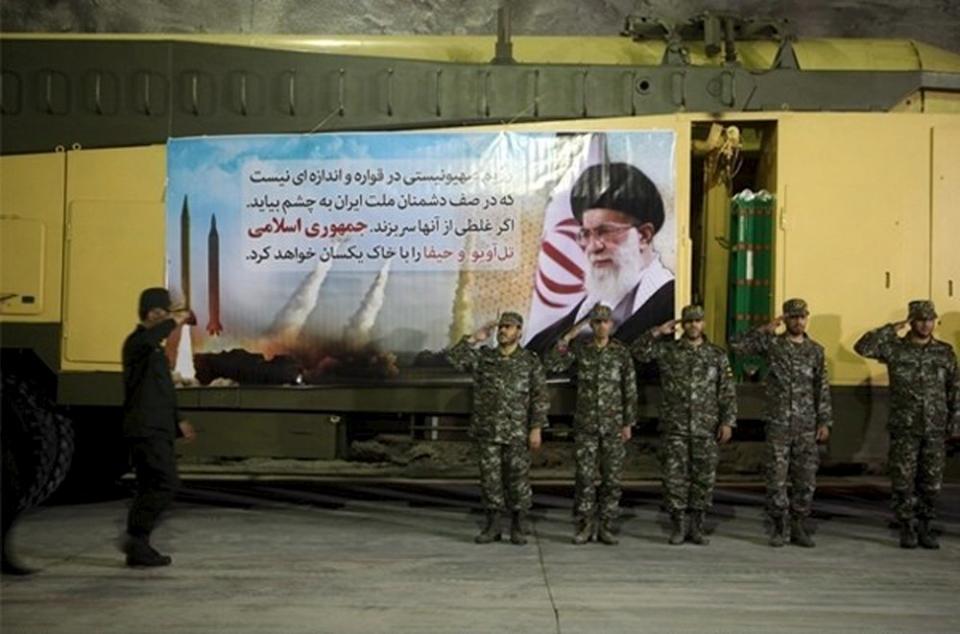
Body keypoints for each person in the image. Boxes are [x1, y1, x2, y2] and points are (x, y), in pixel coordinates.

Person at [526, 162, 674, 353]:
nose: (593, 246)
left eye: (606, 231)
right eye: (586, 234)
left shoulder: (671, 305)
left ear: (644, 236)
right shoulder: (557, 332)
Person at [854, 300, 960, 549]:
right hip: (905, 426)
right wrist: (892, 328)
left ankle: (925, 526)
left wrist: (954, 423)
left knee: (931, 482)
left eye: (930, 319)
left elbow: (954, 389)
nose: (926, 324)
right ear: (911, 321)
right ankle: (906, 526)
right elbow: (863, 346)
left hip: (935, 427)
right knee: (903, 480)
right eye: (920, 319)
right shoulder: (895, 349)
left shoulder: (944, 352)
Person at [730, 298, 832, 547]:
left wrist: (824, 421)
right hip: (778, 423)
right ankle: (779, 526)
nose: (798, 321)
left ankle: (798, 525)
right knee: (776, 477)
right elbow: (737, 346)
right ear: (785, 319)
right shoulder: (773, 345)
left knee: (805, 478)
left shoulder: (815, 351)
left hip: (806, 425)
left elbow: (822, 387)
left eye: (802, 317)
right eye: (793, 317)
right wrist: (765, 329)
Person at [631, 304, 736, 545]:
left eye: (697, 321)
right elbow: (638, 351)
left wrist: (727, 421)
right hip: (675, 426)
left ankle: (697, 527)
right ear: (682, 325)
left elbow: (727, 392)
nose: (693, 325)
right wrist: (658, 332)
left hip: (705, 427)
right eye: (688, 322)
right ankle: (678, 526)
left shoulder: (716, 355)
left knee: (703, 478)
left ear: (703, 324)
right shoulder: (669, 351)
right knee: (674, 478)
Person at [446, 312, 549, 545]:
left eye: (509, 327)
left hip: (517, 431)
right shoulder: (485, 359)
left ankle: (518, 525)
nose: (503, 330)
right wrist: (475, 338)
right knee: (490, 479)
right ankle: (493, 526)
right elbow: (454, 358)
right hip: (488, 430)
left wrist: (536, 428)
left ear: (519, 332)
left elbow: (540, 397)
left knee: (518, 480)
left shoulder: (530, 361)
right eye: (501, 327)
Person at [544, 304, 637, 545]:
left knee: (611, 478)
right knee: (584, 478)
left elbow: (629, 389)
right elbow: (554, 363)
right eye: (596, 322)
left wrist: (628, 422)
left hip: (613, 425)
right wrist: (568, 336)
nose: (601, 326)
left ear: (611, 325)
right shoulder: (582, 350)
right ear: (592, 325)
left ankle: (606, 525)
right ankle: (584, 524)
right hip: (586, 424)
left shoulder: (620, 353)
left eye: (605, 322)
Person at [120, 287, 196, 567]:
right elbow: (155, 334)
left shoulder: (153, 349)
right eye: (162, 313)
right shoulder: (138, 343)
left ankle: (137, 545)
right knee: (165, 483)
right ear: (152, 313)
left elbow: (164, 390)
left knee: (151, 485)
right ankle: (136, 538)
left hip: (158, 426)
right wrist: (175, 320)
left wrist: (179, 420)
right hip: (145, 427)